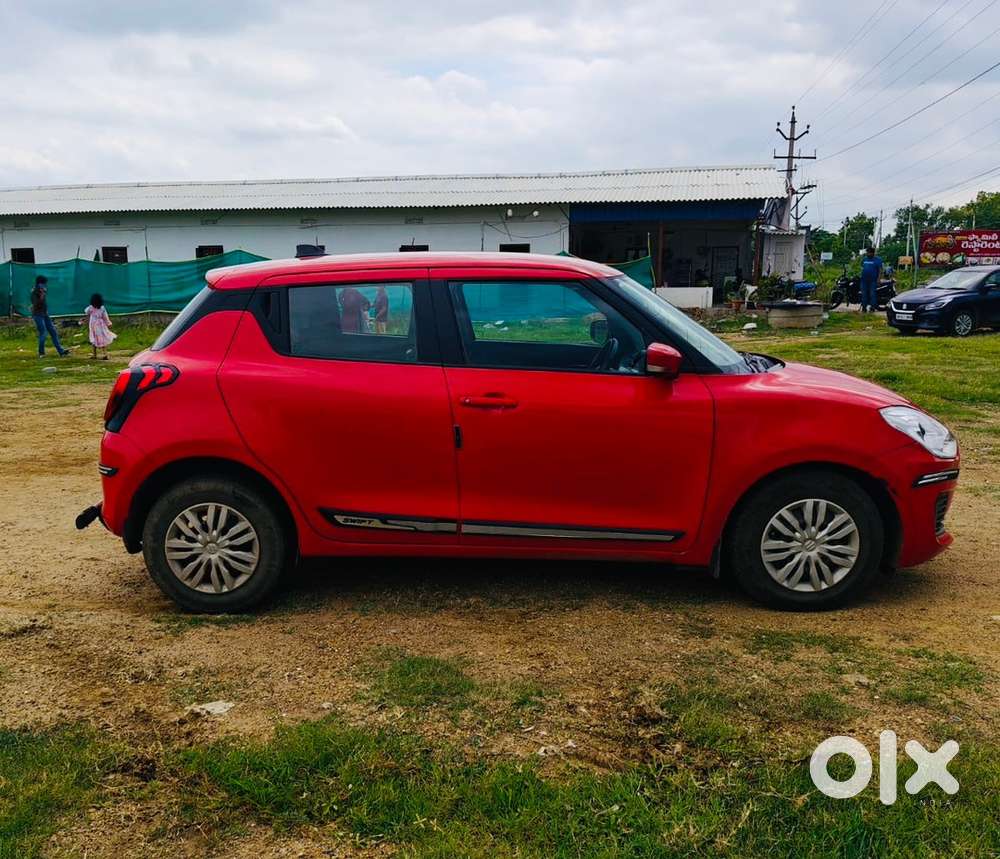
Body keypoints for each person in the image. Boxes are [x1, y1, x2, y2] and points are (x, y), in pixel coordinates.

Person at [30, 276, 70, 357]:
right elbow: (36, 304)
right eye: (43, 284)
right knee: (43, 333)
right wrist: (42, 295)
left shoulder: (42, 291)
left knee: (53, 332)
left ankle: (61, 351)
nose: (44, 285)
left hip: (44, 314)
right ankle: (41, 353)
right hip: (38, 315)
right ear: (39, 283)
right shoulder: (35, 291)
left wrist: (43, 294)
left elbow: (43, 303)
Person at [84, 293, 116, 359]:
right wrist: (108, 323)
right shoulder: (102, 308)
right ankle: (105, 354)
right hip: (101, 325)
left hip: (93, 325)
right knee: (102, 339)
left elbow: (86, 313)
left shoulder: (90, 308)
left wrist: (85, 321)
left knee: (93, 339)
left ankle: (94, 354)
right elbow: (105, 317)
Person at [860, 246, 883, 313]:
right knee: (864, 294)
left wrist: (879, 279)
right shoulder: (864, 259)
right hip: (864, 280)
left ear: (872, 253)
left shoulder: (878, 260)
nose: (867, 254)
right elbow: (862, 268)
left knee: (872, 294)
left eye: (869, 253)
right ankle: (864, 308)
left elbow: (880, 270)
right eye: (867, 252)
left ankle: (872, 308)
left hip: (873, 280)